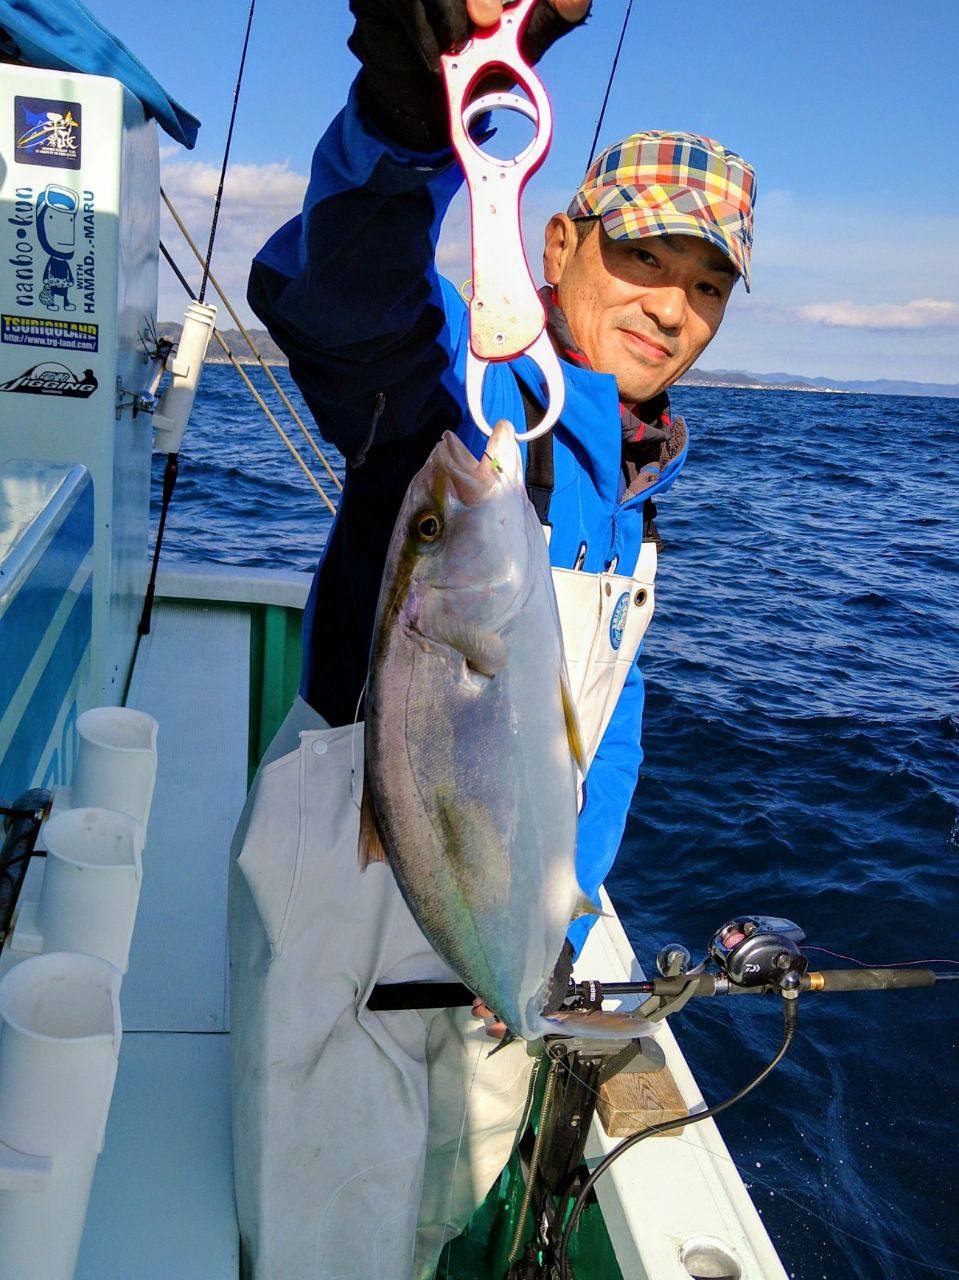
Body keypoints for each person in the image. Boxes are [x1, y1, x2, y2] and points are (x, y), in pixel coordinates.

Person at [228, 2, 756, 1277]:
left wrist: (558, 919)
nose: (672, 308)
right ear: (557, 241)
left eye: (707, 285)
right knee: (317, 1212)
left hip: (496, 928)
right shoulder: (450, 408)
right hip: (352, 909)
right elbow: (335, 296)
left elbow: (601, 725)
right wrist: (413, 104)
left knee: (432, 1211)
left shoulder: (638, 492)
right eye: (644, 259)